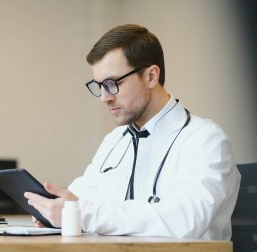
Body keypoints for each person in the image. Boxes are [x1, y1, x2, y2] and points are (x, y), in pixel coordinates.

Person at [24, 24, 241, 240]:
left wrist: (80, 215)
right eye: (98, 85)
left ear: (151, 77)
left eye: (111, 83)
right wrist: (54, 210)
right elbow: (81, 198)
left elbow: (185, 221)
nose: (104, 97)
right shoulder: (115, 141)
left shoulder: (205, 140)